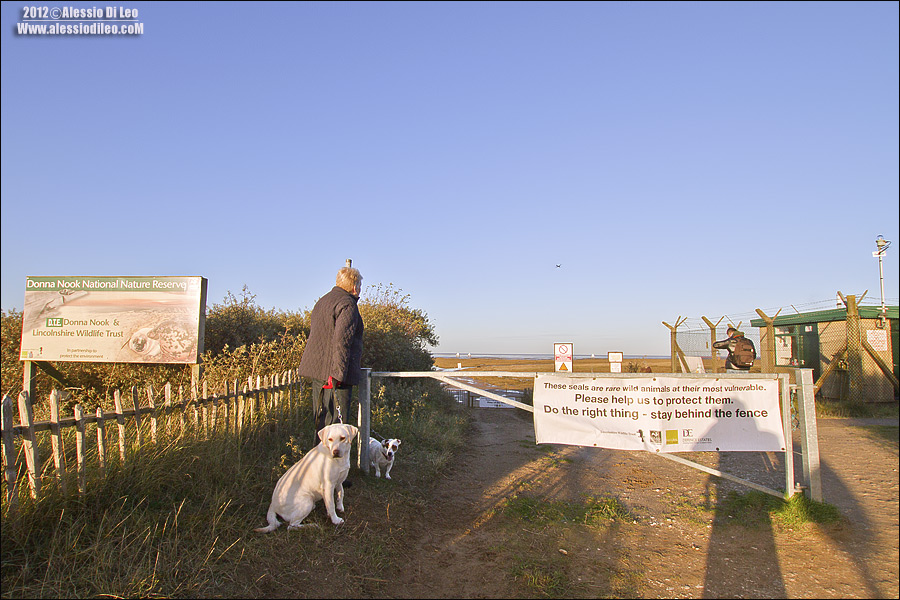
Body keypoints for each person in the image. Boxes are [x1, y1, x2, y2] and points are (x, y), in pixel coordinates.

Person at [299, 266, 365, 448]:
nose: (360, 289)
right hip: (335, 375)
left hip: (318, 370)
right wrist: (337, 375)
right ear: (354, 286)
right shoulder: (348, 304)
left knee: (322, 423)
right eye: (359, 285)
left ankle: (317, 469)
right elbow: (341, 341)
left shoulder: (323, 301)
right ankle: (335, 475)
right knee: (337, 428)